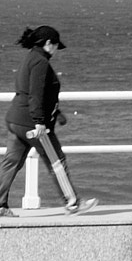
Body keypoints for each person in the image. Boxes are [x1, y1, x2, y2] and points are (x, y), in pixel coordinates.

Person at [0, 25, 96, 216]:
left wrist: (56, 112)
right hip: (32, 124)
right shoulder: (41, 63)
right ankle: (72, 202)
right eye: (55, 46)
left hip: (15, 119)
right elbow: (36, 94)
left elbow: (33, 93)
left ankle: (0, 205)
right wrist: (39, 122)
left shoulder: (29, 58)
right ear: (48, 43)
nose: (55, 50)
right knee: (57, 161)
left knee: (11, 162)